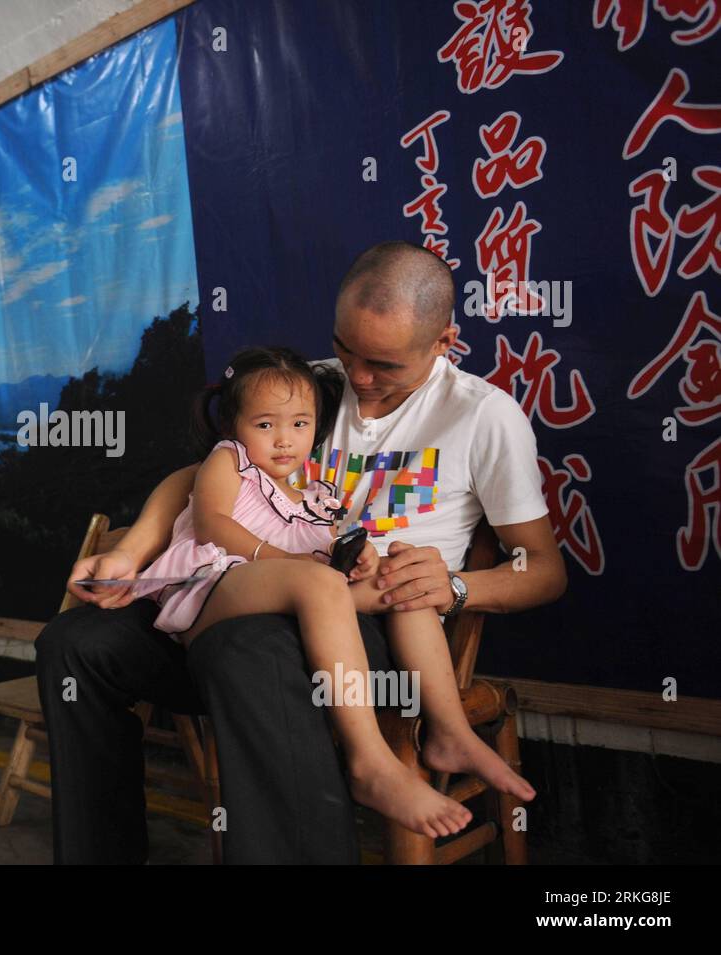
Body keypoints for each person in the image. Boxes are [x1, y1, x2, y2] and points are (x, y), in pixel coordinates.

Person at [35, 240, 567, 864]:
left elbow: (544, 569)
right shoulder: (310, 388)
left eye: (384, 365)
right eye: (347, 350)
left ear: (444, 341)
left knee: (249, 650)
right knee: (75, 644)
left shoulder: (483, 417)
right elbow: (206, 475)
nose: (359, 379)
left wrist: (454, 587)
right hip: (244, 595)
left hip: (376, 635)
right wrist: (135, 553)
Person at [123, 344, 534, 841]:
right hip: (212, 584)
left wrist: (360, 559)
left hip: (288, 591)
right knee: (316, 582)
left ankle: (451, 731)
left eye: (299, 425)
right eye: (265, 425)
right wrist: (294, 564)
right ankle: (369, 762)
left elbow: (323, 551)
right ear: (234, 426)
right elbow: (212, 525)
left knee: (400, 586)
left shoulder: (315, 496)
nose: (284, 440)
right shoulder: (228, 461)